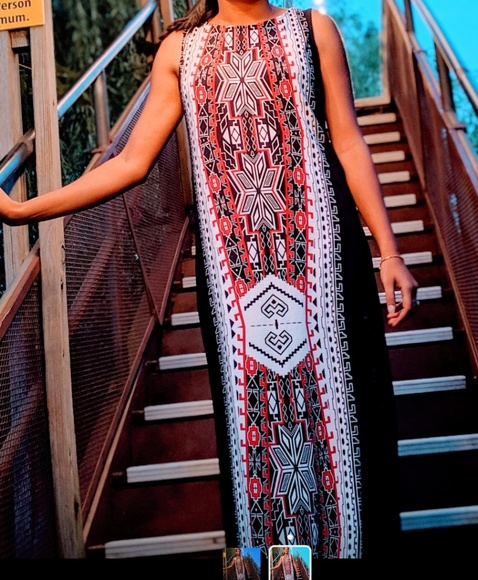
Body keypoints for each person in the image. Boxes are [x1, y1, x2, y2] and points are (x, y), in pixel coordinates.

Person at [0, 0, 418, 559]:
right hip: (233, 287)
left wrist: (390, 252)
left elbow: (347, 141)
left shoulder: (314, 30)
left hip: (327, 271)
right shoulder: (180, 50)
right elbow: (131, 163)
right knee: (256, 459)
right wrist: (23, 212)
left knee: (357, 439)